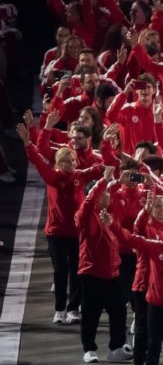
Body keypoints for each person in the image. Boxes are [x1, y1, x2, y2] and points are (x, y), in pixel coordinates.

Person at [19, 123, 102, 325]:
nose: (71, 163)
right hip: (55, 232)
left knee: (76, 269)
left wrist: (109, 146)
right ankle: (59, 309)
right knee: (60, 269)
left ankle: (73, 308)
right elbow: (37, 160)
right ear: (59, 163)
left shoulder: (79, 177)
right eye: (67, 161)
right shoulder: (53, 177)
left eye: (73, 160)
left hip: (76, 232)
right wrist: (28, 143)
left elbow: (99, 169)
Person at [76, 167, 133, 364]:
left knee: (119, 311)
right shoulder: (84, 217)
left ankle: (116, 348)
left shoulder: (107, 215)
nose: (109, 196)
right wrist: (103, 182)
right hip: (91, 273)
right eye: (105, 194)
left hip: (112, 274)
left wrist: (117, 182)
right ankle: (89, 349)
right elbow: (89, 201)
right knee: (91, 313)